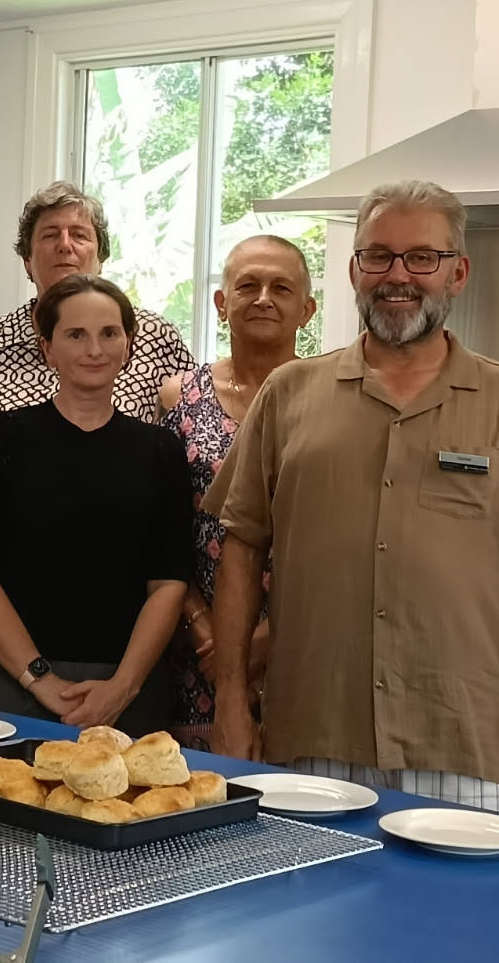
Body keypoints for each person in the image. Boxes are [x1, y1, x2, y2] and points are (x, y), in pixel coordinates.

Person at [206, 179, 499, 817]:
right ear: (354, 269)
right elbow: (240, 552)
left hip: (464, 748)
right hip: (308, 741)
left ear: (458, 273)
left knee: (457, 921)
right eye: (379, 256)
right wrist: (231, 703)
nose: (399, 276)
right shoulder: (288, 394)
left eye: (423, 257)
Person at [0, 274, 193, 736]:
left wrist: (122, 686)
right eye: (76, 335)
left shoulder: (160, 451)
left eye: (109, 334)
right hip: (9, 684)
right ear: (48, 348)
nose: (94, 349)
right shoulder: (0, 438)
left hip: (129, 692)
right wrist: (42, 680)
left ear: (129, 345)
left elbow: (169, 583)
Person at [158, 234, 316, 750]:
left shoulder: (335, 402)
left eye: (281, 287)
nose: (264, 297)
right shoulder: (178, 396)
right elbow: (160, 529)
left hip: (307, 646)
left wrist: (266, 638)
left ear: (307, 309)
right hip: (195, 652)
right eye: (248, 285)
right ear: (222, 304)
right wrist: (209, 630)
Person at [0, 181, 195, 424]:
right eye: (50, 235)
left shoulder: (156, 336)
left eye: (79, 235)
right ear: (27, 259)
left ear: (100, 258)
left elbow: (193, 432)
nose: (65, 245)